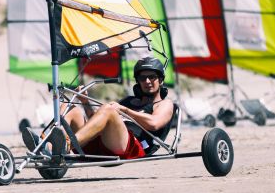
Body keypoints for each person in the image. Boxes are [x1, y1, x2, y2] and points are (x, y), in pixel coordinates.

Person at [25, 56, 175, 159]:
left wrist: (124, 110)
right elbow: (96, 123)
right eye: (142, 78)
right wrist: (84, 101)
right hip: (105, 142)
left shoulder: (164, 104)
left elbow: (154, 124)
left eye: (152, 77)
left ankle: (66, 146)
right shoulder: (129, 100)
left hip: (131, 146)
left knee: (108, 109)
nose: (147, 81)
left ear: (160, 80)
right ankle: (45, 146)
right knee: (71, 108)